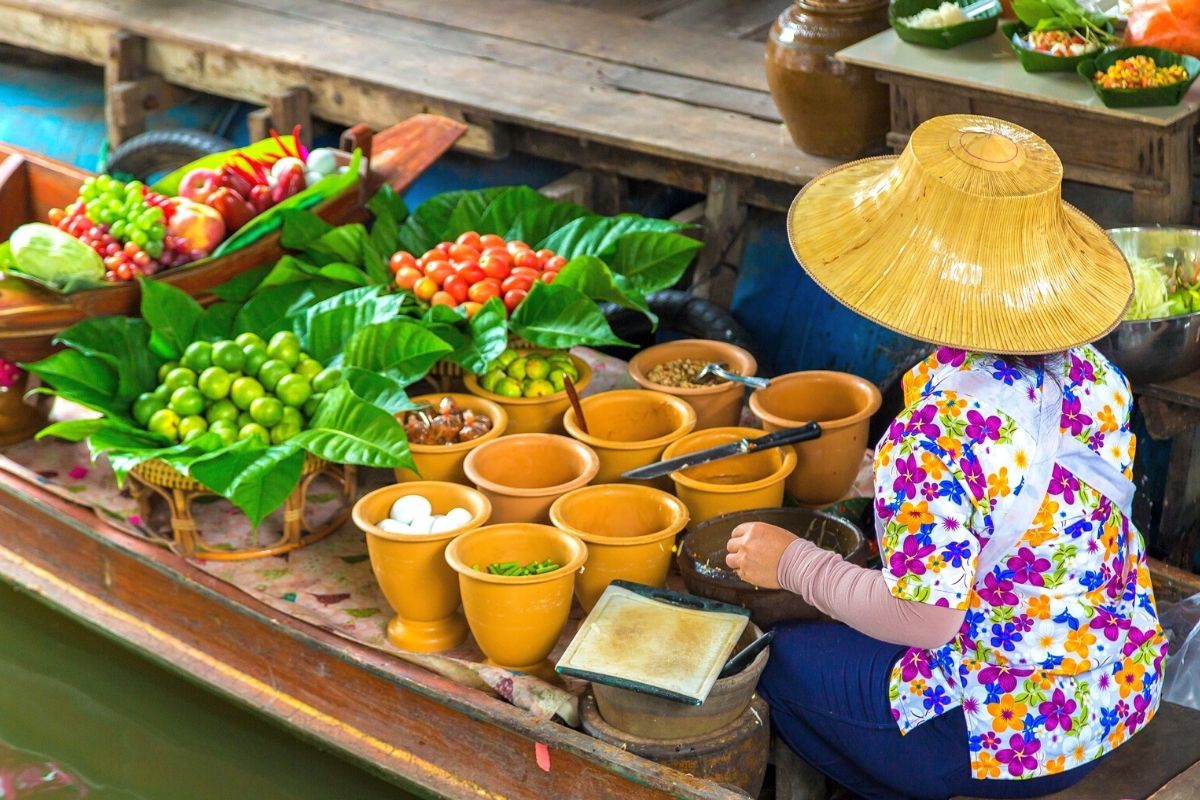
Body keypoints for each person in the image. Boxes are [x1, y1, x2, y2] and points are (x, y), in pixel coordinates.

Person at [725, 115, 1166, 800]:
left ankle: (911, 784)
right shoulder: (1089, 371)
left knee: (771, 658)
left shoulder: (930, 439)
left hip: (1017, 736)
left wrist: (794, 564)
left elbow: (926, 622)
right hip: (1118, 685)